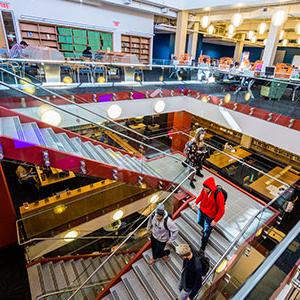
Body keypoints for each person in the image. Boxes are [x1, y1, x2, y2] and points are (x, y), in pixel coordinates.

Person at [192, 177, 225, 251]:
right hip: (202, 210)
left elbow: (222, 210)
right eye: (203, 188)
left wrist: (215, 220)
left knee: (206, 233)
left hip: (210, 215)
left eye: (206, 189)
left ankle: (202, 247)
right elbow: (201, 196)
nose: (204, 190)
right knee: (199, 221)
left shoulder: (218, 195)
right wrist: (195, 203)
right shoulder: (205, 190)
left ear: (210, 188)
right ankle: (207, 228)